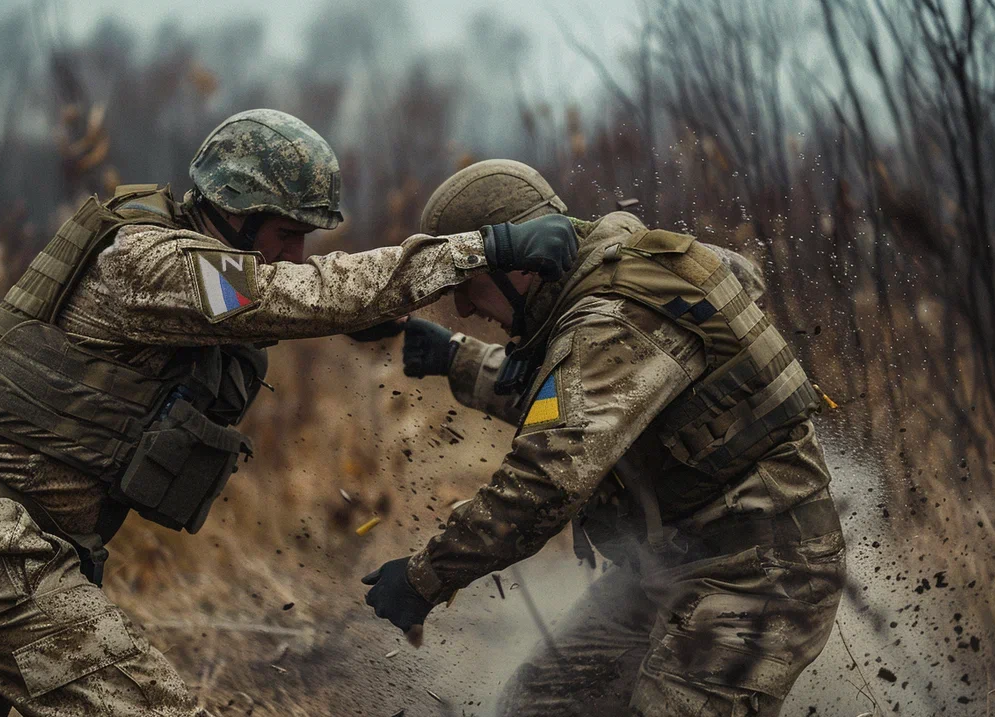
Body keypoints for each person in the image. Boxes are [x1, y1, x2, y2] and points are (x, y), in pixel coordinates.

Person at [0, 113, 579, 716]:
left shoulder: (188, 273)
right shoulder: (148, 262)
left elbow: (267, 297)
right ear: (234, 210)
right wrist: (482, 250)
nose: (295, 254)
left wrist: (364, 319)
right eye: (285, 233)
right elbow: (278, 294)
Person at [361, 159, 845, 716]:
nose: (465, 306)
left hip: (758, 574)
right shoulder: (607, 279)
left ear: (521, 263)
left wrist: (424, 577)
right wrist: (452, 355)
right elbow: (580, 399)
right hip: (672, 562)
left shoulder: (615, 317)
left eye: (469, 284)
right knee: (538, 707)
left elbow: (545, 482)